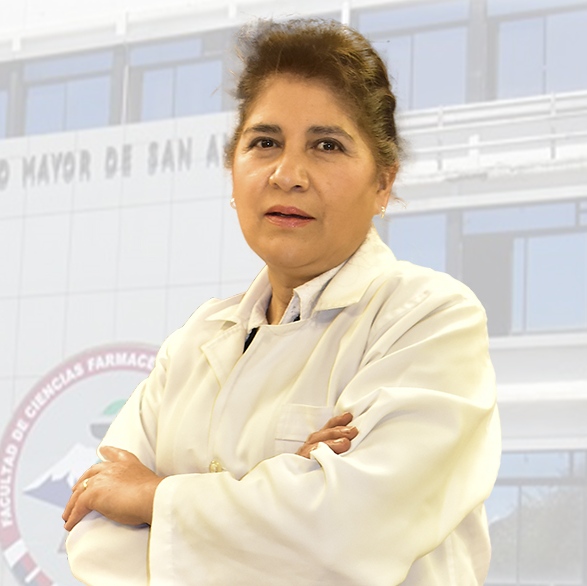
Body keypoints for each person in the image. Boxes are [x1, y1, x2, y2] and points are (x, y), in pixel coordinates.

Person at [62, 18, 500, 586]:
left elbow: (346, 537)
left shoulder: (430, 319)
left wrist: (155, 497)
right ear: (233, 169)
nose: (287, 174)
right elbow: (94, 535)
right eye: (264, 142)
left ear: (384, 183)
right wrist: (284, 489)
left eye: (327, 145)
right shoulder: (195, 342)